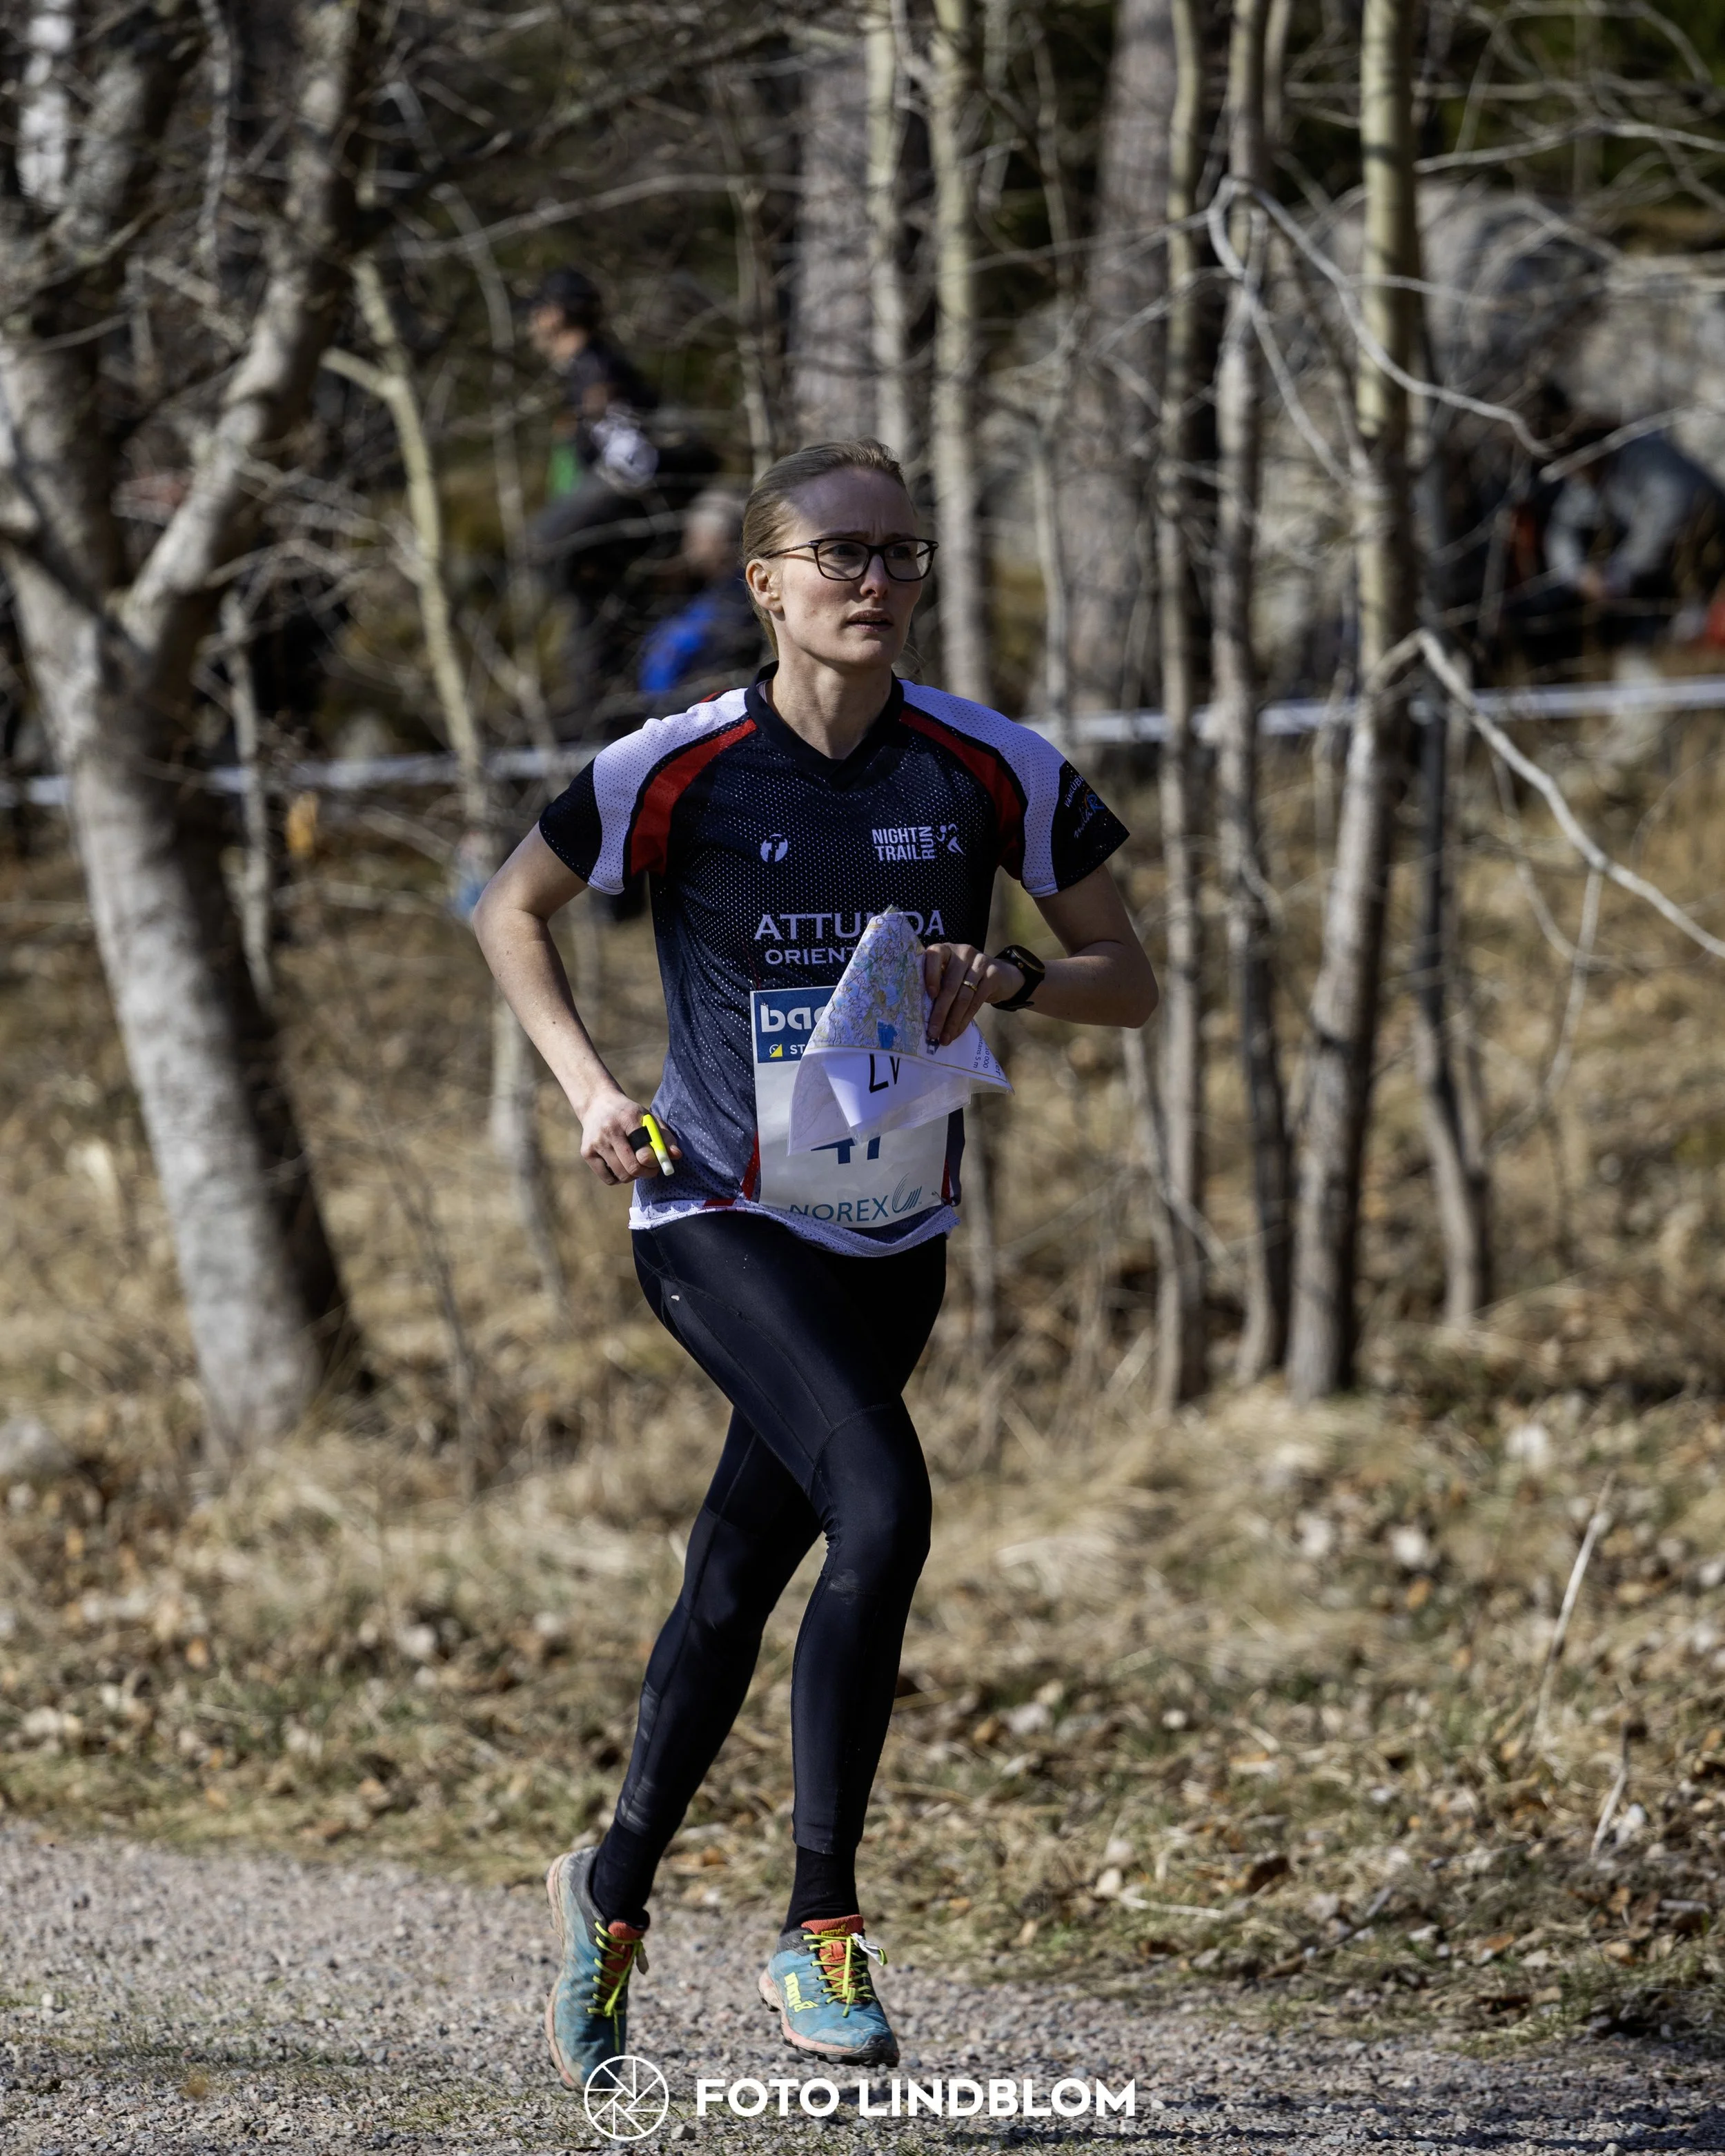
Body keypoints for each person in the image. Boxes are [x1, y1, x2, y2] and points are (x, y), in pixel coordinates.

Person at [473, 437, 1156, 2090]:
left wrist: (1004, 976)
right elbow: (512, 907)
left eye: (903, 554)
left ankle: (611, 1892)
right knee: (887, 1503)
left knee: (731, 1578)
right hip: (714, 1215)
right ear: (764, 582)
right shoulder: (679, 762)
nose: (875, 580)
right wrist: (589, 1091)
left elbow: (1126, 976)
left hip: (891, 1232)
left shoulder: (989, 768)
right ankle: (818, 1925)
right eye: (838, 553)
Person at [525, 268, 717, 730]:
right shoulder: (590, 368)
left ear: (552, 316)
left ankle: (604, 728)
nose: (530, 326)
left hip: (632, 525)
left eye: (535, 314)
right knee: (595, 634)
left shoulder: (596, 370)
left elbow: (631, 457)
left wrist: (591, 512)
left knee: (544, 545)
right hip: (614, 541)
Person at [636, 487, 763, 711]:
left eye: (694, 537)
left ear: (717, 541)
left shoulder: (736, 604)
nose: (688, 547)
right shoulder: (713, 594)